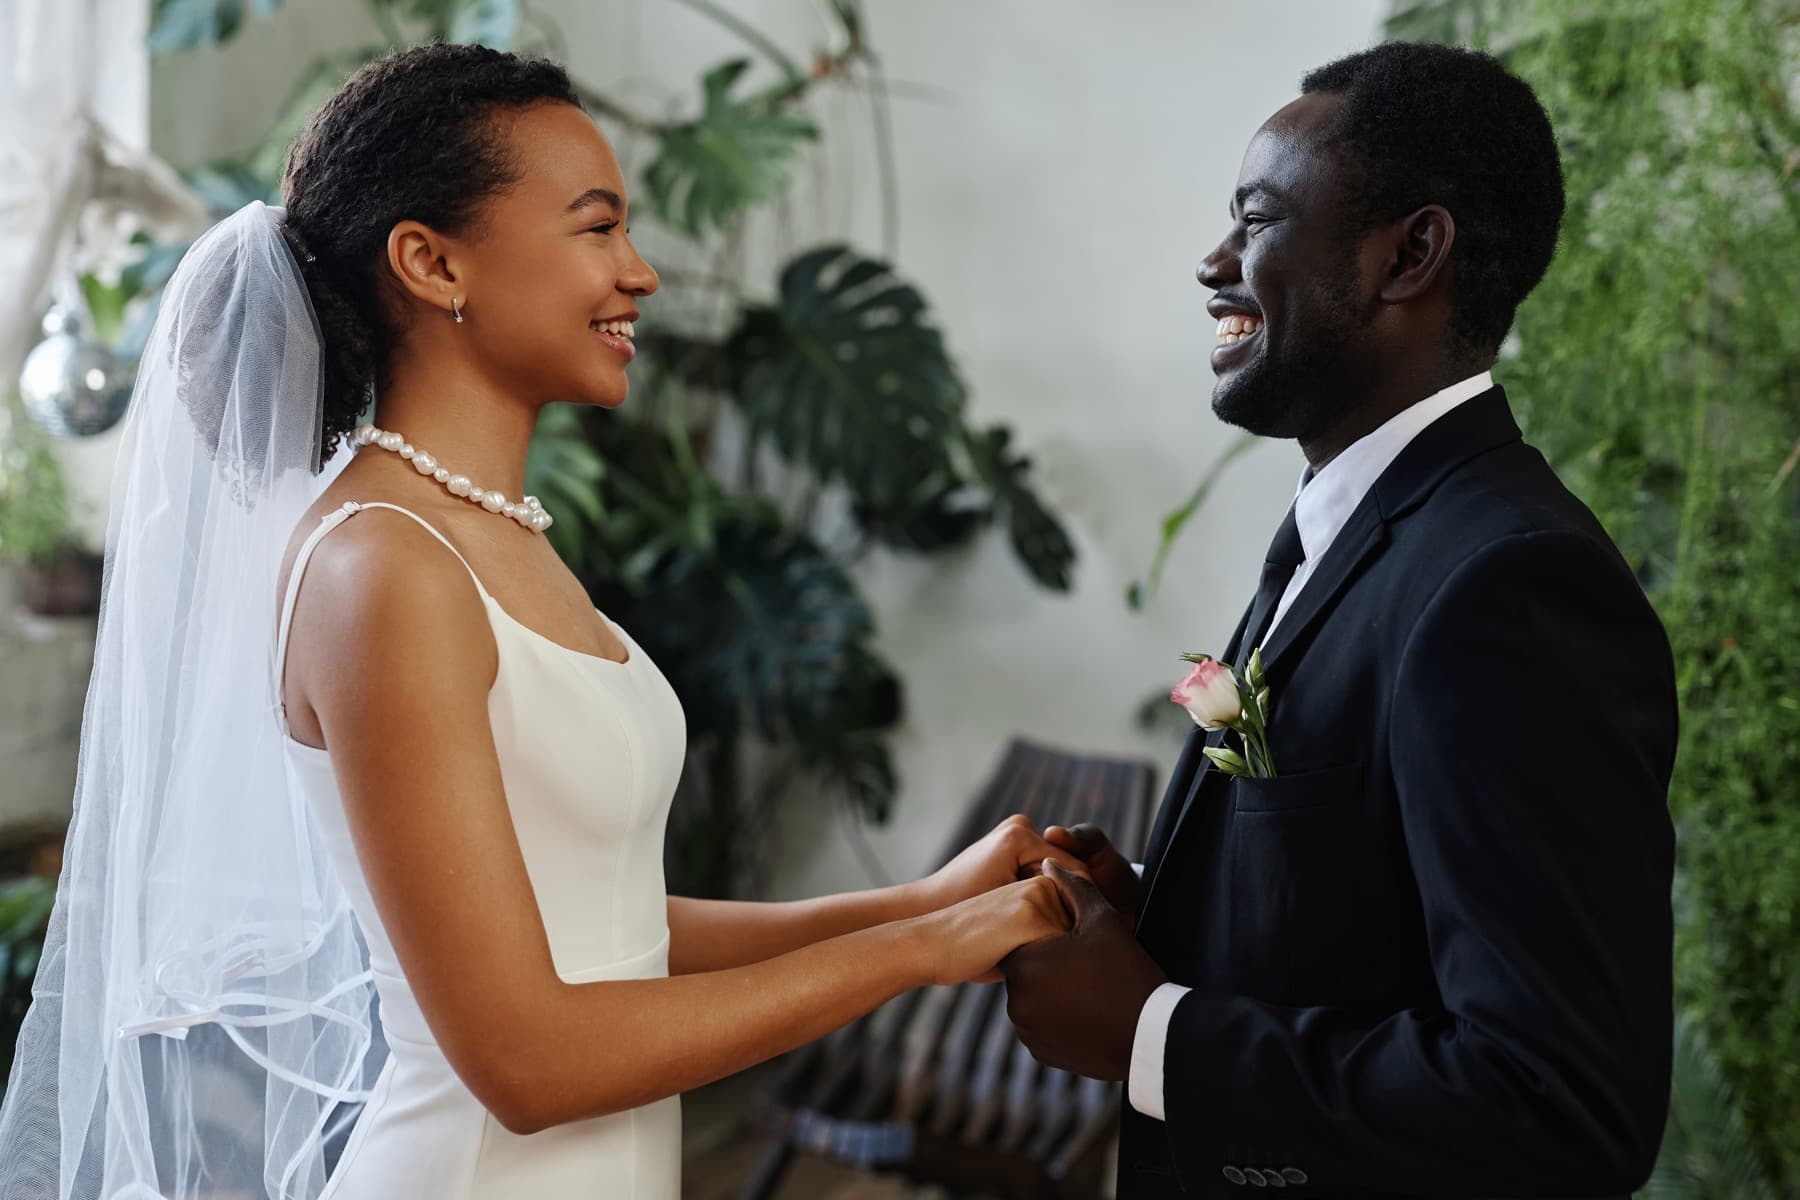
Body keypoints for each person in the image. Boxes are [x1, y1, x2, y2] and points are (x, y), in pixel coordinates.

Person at [0, 44, 1081, 1200]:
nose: (641, 273)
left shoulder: (492, 532)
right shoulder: (381, 568)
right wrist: (914, 955)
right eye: (596, 227)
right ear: (431, 260)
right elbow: (526, 1061)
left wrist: (917, 901)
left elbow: (595, 915)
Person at [1001, 41, 1679, 1199]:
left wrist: (1150, 1033)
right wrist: (1167, 910)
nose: (1214, 264)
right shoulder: (1363, 531)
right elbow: (1372, 923)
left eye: (1257, 220)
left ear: (1408, 255)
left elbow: (1559, 1106)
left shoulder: (1507, 586)